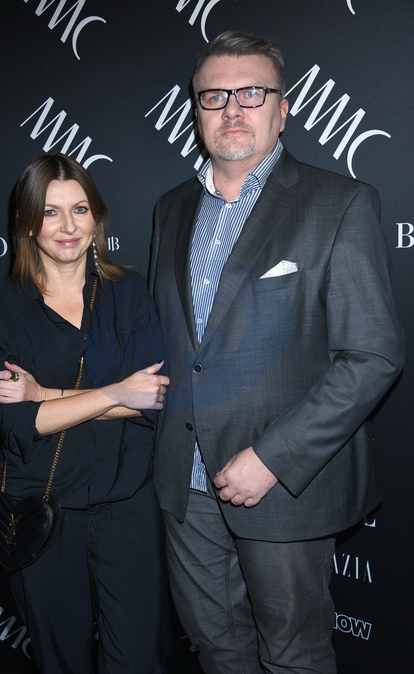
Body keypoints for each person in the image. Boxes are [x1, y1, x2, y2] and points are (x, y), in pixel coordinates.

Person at [148, 30, 405, 674]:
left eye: (252, 93)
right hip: (185, 482)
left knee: (294, 655)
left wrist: (272, 458)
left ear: (283, 109)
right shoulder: (169, 209)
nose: (232, 109)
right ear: (196, 110)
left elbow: (372, 356)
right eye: (214, 97)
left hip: (284, 483)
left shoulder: (339, 202)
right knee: (215, 648)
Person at [0, 153, 170, 674]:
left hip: (129, 508)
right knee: (60, 662)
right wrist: (117, 393)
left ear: (96, 217)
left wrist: (44, 394)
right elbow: (19, 423)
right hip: (42, 513)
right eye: (50, 211)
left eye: (80, 209)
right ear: (26, 223)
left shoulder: (130, 293)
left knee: (139, 661)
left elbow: (153, 399)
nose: (68, 226)